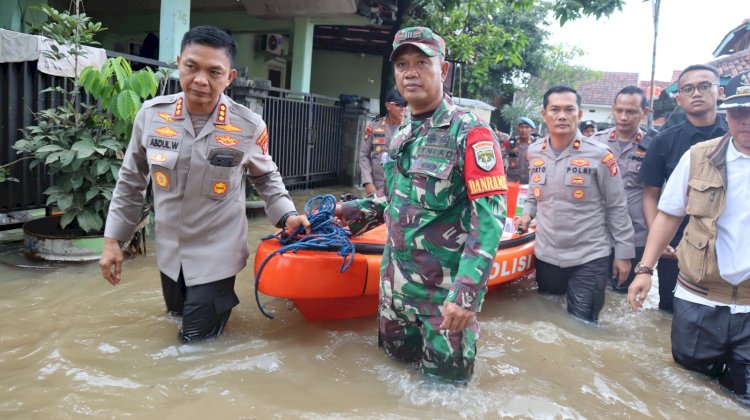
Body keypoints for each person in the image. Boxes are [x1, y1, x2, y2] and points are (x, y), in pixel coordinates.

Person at [99, 26, 310, 342]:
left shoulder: (248, 125)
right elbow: (131, 180)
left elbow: (266, 177)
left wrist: (287, 216)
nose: (200, 79)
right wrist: (113, 239)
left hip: (217, 255)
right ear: (179, 62)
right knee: (176, 319)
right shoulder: (151, 116)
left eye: (214, 72)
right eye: (192, 67)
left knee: (193, 349)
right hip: (171, 256)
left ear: (230, 77)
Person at [336, 26, 507, 383]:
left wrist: (466, 294)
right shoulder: (401, 132)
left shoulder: (470, 132)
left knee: (443, 397)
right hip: (395, 295)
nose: (409, 72)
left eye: (420, 63)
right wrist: (352, 212)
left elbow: (489, 218)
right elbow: (399, 201)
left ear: (442, 70)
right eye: (401, 64)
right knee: (392, 384)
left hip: (443, 304)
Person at [628, 70, 750, 403]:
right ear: (729, 113)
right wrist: (644, 270)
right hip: (699, 298)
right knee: (688, 392)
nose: (746, 120)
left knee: (743, 400)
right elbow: (668, 214)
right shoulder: (699, 157)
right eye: (740, 112)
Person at [515, 86, 634, 322]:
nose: (562, 116)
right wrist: (527, 214)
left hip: (589, 256)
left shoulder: (600, 155)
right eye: (555, 110)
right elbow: (533, 193)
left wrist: (623, 254)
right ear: (544, 114)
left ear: (578, 114)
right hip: (546, 254)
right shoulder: (534, 152)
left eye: (569, 109)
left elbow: (617, 206)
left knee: (582, 326)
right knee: (546, 318)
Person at [639, 64, 728, 313]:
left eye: (704, 86)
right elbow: (650, 194)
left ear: (719, 92)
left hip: (727, 240)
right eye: (688, 89)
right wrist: (658, 240)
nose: (696, 93)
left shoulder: (737, 136)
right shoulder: (663, 141)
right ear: (679, 98)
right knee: (671, 310)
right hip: (677, 242)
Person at [590, 86, 649, 293]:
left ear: (645, 113)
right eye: (619, 110)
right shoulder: (596, 143)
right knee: (595, 292)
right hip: (599, 234)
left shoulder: (654, 146)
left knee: (624, 295)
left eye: (631, 112)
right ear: (613, 109)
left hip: (636, 236)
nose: (623, 117)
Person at [359, 89, 407, 196]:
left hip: (401, 189)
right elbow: (364, 155)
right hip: (377, 187)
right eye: (399, 105)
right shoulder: (374, 127)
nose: (403, 108)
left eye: (405, 105)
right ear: (388, 106)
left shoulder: (411, 128)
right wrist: (368, 182)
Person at [504, 117, 536, 184]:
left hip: (531, 181)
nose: (523, 130)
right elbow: (498, 156)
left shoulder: (537, 144)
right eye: (521, 127)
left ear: (532, 130)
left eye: (527, 127)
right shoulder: (510, 142)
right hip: (512, 180)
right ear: (517, 129)